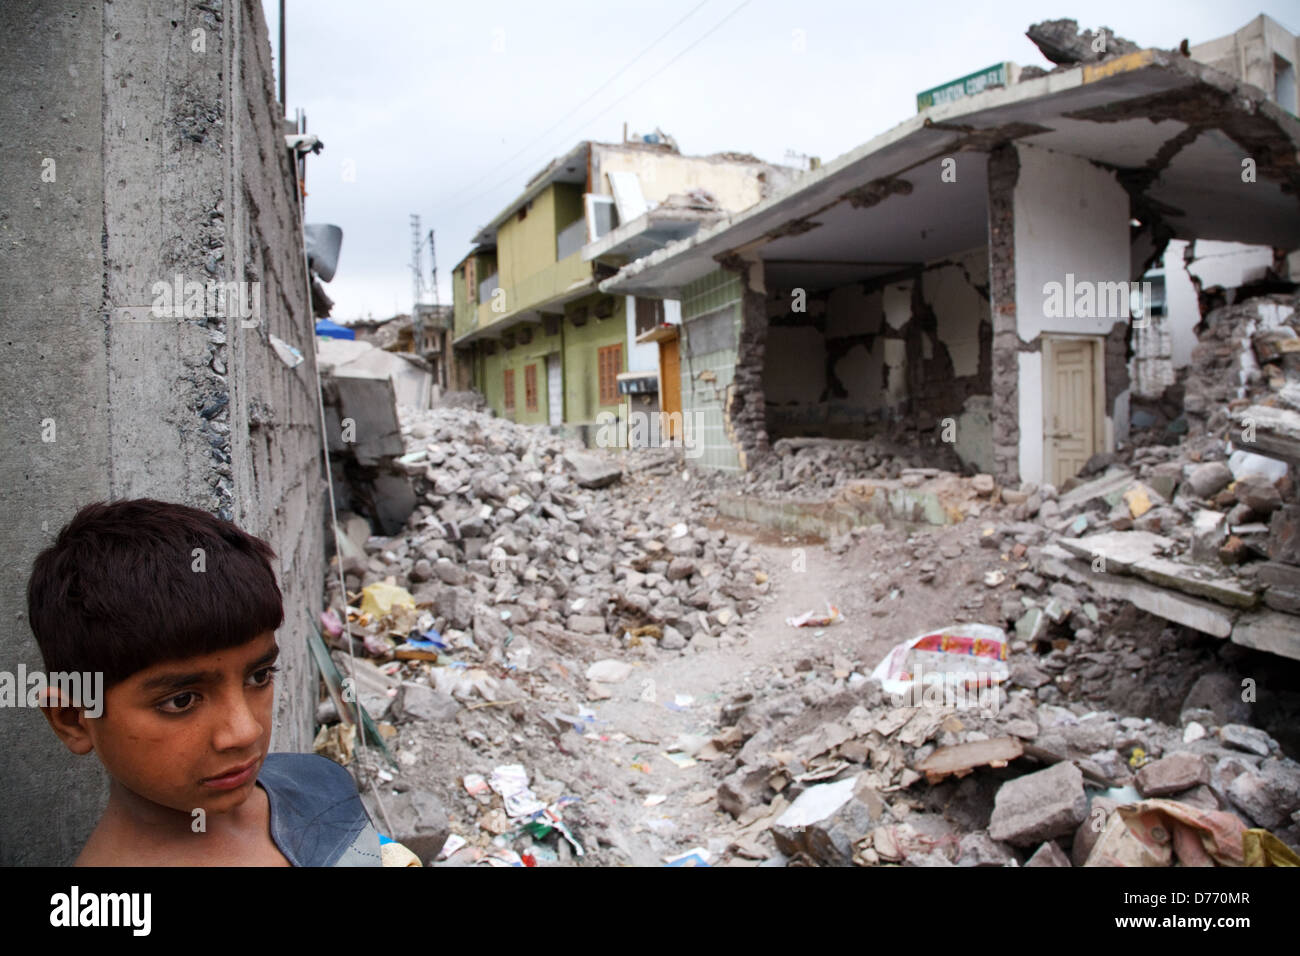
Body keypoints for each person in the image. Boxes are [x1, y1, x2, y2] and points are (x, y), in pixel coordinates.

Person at [26, 498, 383, 866]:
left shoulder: (322, 785)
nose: (245, 732)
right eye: (181, 701)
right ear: (72, 717)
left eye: (259, 676)